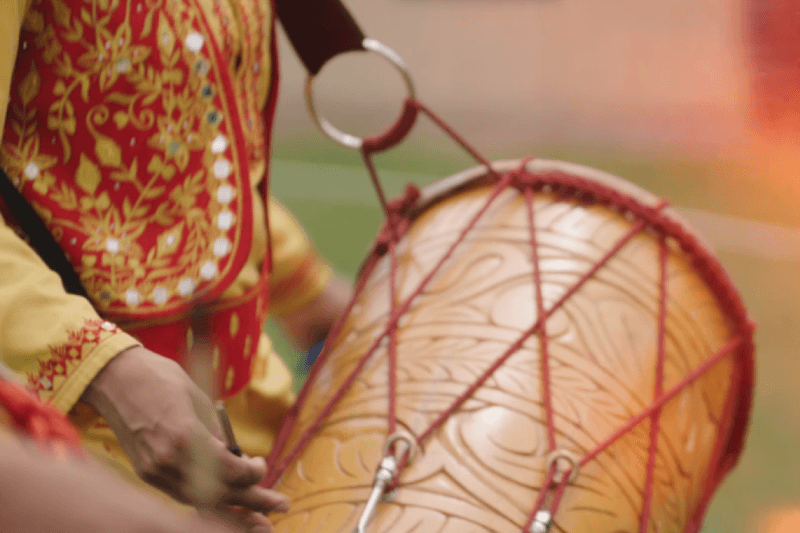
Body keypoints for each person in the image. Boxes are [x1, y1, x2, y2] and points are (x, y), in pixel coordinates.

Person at [0, 0, 352, 526]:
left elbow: (186, 149)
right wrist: (107, 370)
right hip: (70, 462)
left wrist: (308, 290)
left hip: (260, 433)